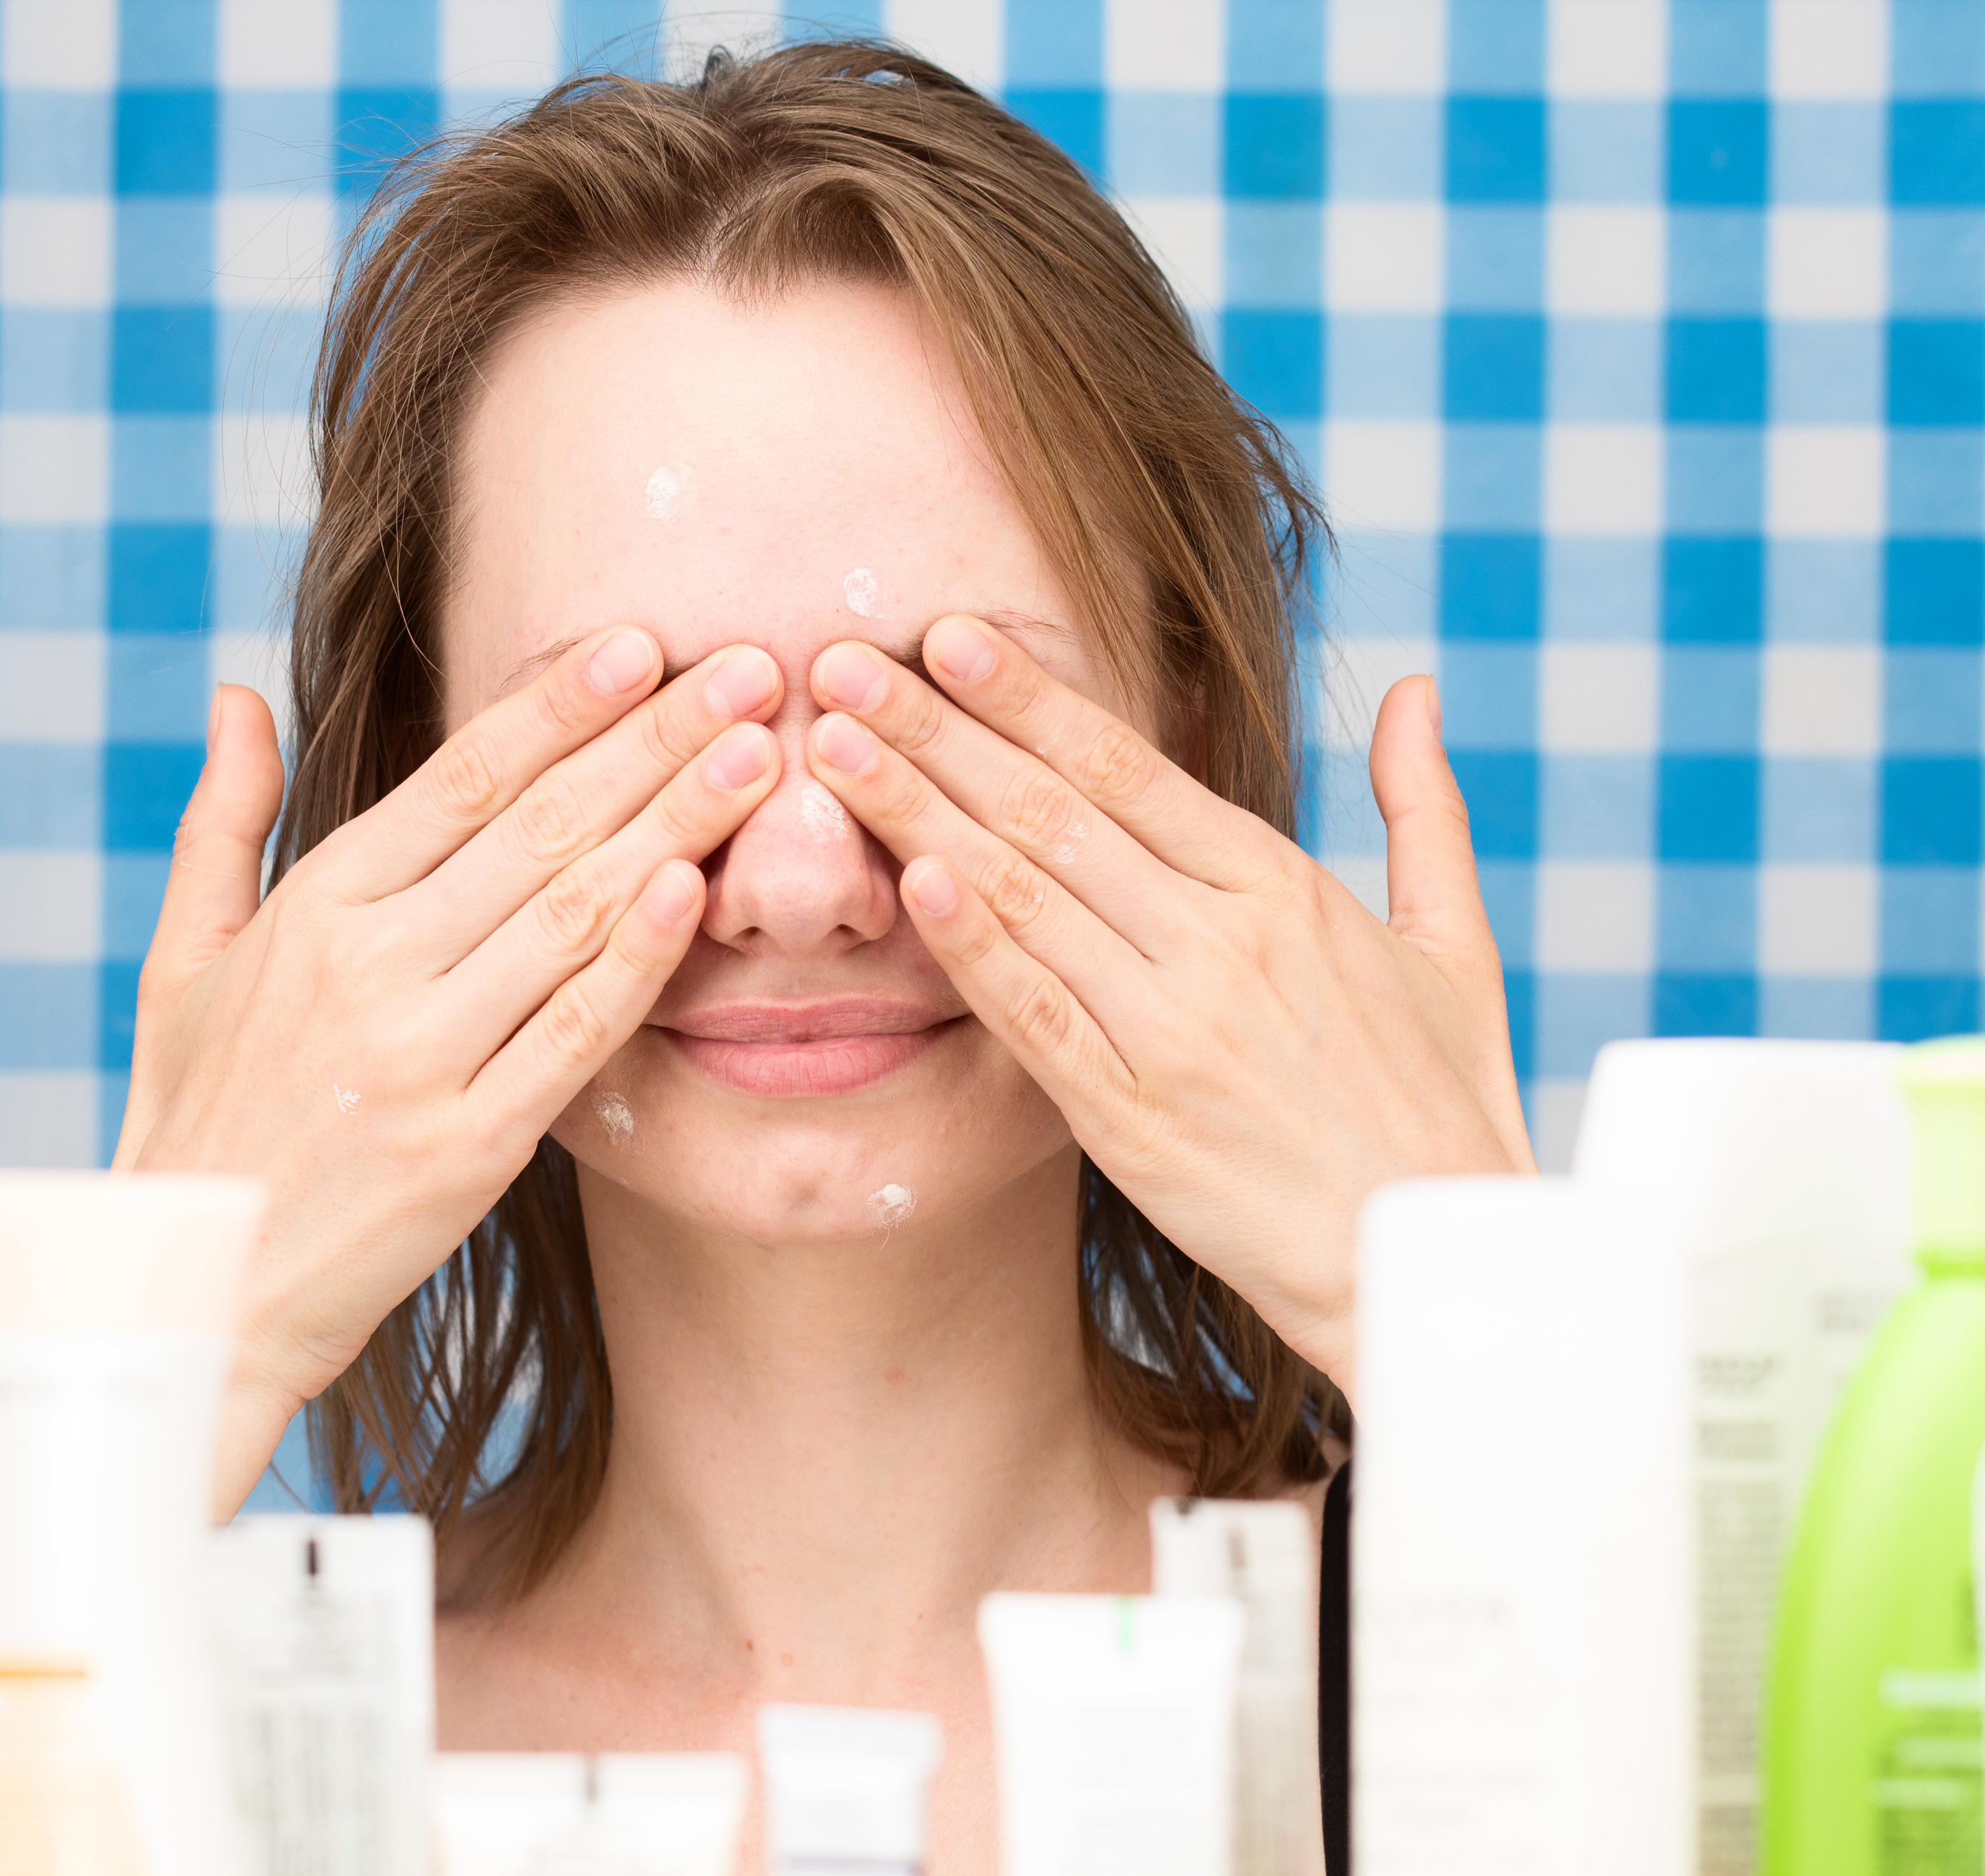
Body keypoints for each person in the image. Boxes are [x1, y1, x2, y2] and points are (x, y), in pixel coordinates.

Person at [116, 39, 1530, 1875]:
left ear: (1181, 759)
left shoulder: (1521, 1666)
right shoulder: (170, 1722)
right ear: (403, 799)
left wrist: (1499, 1327)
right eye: (629, 734)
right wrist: (151, 1355)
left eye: (956, 705)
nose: (800, 880)